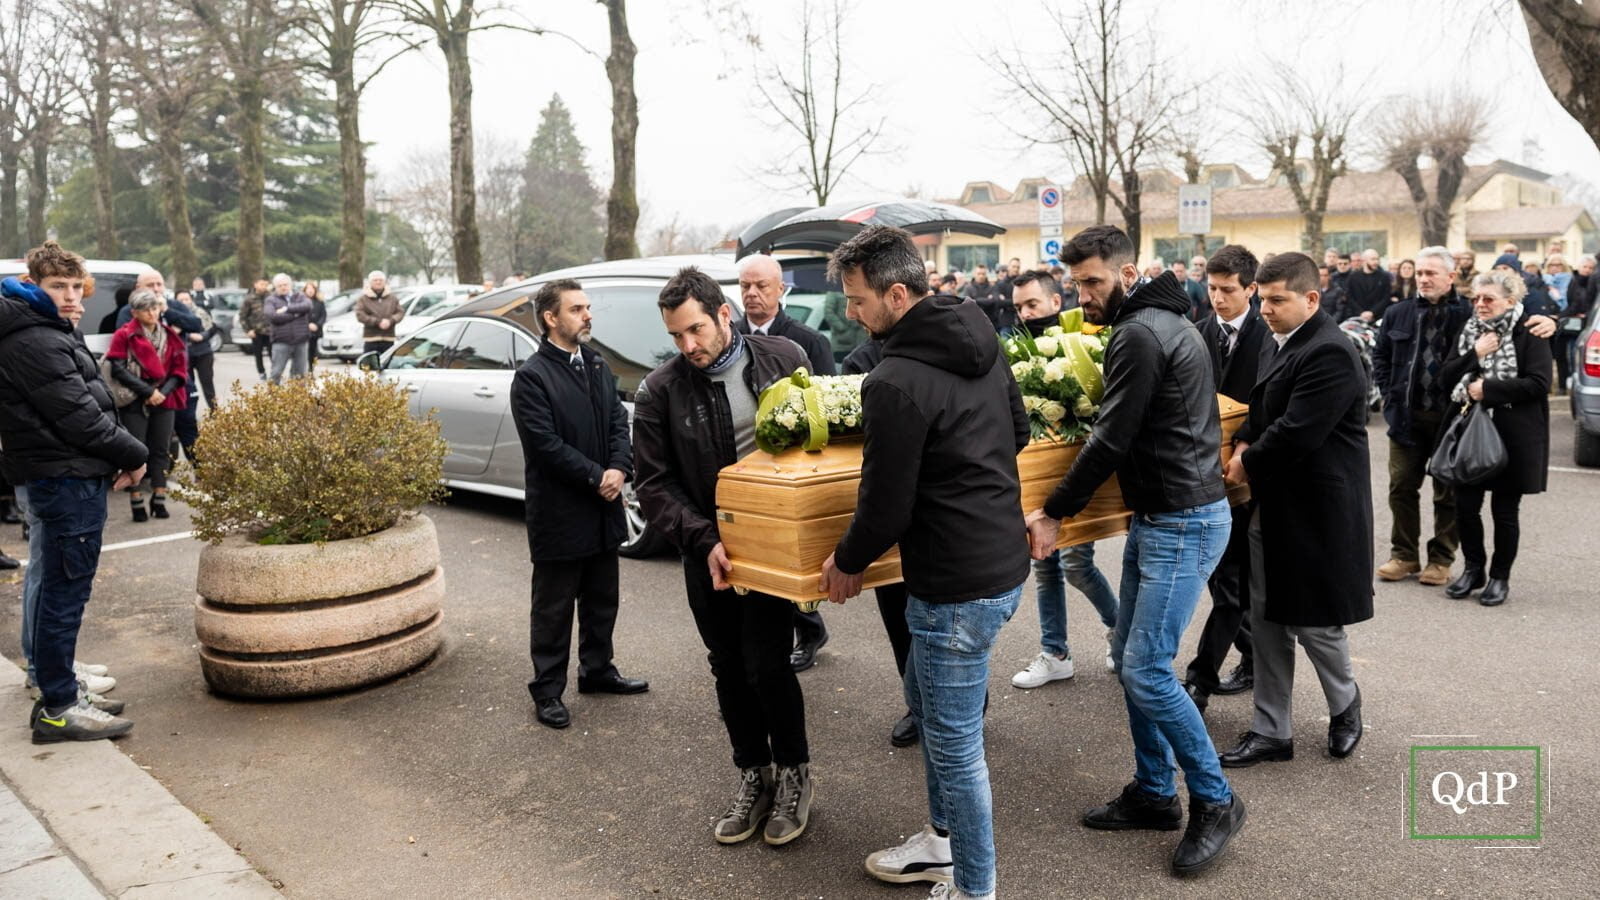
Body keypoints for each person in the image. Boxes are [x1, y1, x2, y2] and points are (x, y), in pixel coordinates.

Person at [1023, 225, 1244, 877]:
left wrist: (1054, 510)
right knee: (1130, 658)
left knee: (1145, 666)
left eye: (1092, 281)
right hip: (1166, 514)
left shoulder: (1142, 331)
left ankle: (1215, 798)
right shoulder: (1168, 320)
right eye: (1075, 282)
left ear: (1126, 274)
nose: (1081, 294)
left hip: (1183, 519)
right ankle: (1153, 792)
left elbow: (1113, 438)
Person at [820, 225, 1028, 900]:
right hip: (1000, 566)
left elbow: (885, 506)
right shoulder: (981, 335)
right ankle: (942, 842)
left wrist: (847, 561)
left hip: (952, 586)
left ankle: (973, 887)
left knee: (956, 747)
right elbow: (1019, 431)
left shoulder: (894, 381)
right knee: (934, 711)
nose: (852, 313)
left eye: (858, 300)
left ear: (898, 293)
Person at [632, 266, 815, 847]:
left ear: (724, 315)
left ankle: (793, 775)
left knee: (768, 662)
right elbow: (654, 484)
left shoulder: (784, 356)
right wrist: (703, 539)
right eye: (676, 336)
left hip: (772, 547)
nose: (688, 346)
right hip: (704, 548)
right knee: (727, 665)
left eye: (695, 331)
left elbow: (830, 435)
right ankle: (752, 776)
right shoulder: (660, 390)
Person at [1217, 251, 1372, 769]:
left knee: (1315, 623)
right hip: (1275, 505)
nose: (1265, 309)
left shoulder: (1330, 351)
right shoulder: (1280, 339)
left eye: (1277, 300)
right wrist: (1240, 441)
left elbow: (1297, 431)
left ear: (1311, 298)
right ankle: (1271, 730)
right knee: (1266, 621)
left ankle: (1345, 706)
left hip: (1319, 509)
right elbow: (1262, 412)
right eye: (1262, 299)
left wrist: (1244, 462)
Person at [0, 242, 147, 742]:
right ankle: (59, 705)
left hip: (67, 474)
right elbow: (80, 416)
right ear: (32, 286)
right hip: (63, 479)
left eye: (73, 288)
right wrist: (135, 453)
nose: (69, 297)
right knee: (62, 595)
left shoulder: (42, 329)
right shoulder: (33, 339)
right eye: (56, 287)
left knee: (56, 588)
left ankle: (58, 685)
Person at [510, 278, 648, 729]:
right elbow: (545, 446)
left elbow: (616, 421)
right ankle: (547, 691)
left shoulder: (595, 363)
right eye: (577, 309)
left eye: (588, 307)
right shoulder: (532, 377)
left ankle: (597, 671)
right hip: (560, 513)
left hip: (602, 507)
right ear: (551, 318)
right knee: (553, 608)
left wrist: (620, 467)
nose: (588, 315)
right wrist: (597, 476)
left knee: (601, 598)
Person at [1005, 271, 1120, 690]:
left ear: (1056, 302)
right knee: (1045, 564)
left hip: (1074, 473)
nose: (1024, 313)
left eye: (1032, 304)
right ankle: (1055, 653)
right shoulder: (1014, 346)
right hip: (1036, 473)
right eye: (1018, 306)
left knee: (1076, 564)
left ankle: (1119, 630)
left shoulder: (1084, 339)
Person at [732, 254, 836, 673]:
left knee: (791, 552)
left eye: (761, 286)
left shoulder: (807, 341)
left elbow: (826, 402)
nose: (753, 294)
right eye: (745, 287)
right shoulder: (730, 337)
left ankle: (808, 628)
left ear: (781, 290)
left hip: (791, 464)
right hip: (747, 463)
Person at [1183, 244, 1268, 713]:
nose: (1217, 298)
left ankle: (1201, 677)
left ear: (1251, 289)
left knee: (1233, 581)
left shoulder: (1268, 336)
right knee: (1225, 583)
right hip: (1202, 473)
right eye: (1212, 289)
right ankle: (1253, 658)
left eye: (1228, 290)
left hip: (1249, 471)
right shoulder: (1196, 334)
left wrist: (1246, 445)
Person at [1437, 270, 1550, 606]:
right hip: (1470, 430)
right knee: (1466, 507)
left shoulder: (1530, 330)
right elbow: (1445, 377)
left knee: (1504, 511)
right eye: (1476, 298)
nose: (1480, 305)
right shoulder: (1471, 329)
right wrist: (1476, 354)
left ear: (1511, 301)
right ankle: (1474, 570)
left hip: (1515, 434)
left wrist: (1489, 389)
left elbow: (1539, 383)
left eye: (1488, 299)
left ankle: (1500, 577)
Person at [836, 340, 919, 749]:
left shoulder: (932, 349)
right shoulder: (859, 361)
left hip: (931, 517)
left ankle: (969, 703)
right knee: (899, 620)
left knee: (945, 628)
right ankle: (917, 706)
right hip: (885, 514)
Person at [106, 290, 188, 522]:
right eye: (146, 309)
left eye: (155, 308)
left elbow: (179, 369)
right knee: (137, 450)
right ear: (134, 312)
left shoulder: (170, 334)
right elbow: (117, 368)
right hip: (134, 398)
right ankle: (136, 500)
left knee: (161, 449)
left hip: (165, 397)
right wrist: (148, 392)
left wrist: (162, 393)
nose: (152, 313)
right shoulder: (125, 334)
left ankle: (159, 497)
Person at [173, 290, 219, 410]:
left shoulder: (200, 312)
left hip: (203, 353)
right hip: (184, 354)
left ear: (191, 299)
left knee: (207, 384)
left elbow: (213, 328)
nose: (184, 302)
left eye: (187, 299)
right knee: (188, 386)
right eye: (181, 300)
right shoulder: (172, 315)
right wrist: (188, 335)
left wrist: (203, 336)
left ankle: (215, 412)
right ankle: (189, 412)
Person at [264, 274, 313, 383]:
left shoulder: (300, 296)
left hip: (301, 341)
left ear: (290, 285)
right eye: (279, 285)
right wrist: (296, 315)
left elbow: (308, 306)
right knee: (276, 372)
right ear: (275, 287)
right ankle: (272, 398)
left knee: (300, 374)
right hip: (281, 341)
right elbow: (272, 316)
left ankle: (298, 399)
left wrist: (287, 309)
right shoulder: (271, 300)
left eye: (285, 284)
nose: (283, 287)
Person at [356, 270, 404, 356]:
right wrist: (377, 322)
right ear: (370, 282)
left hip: (388, 337)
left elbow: (400, 312)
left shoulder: (392, 298)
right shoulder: (363, 299)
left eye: (380, 280)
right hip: (371, 338)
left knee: (387, 363)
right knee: (370, 365)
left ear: (384, 282)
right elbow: (360, 314)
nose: (378, 282)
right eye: (375, 280)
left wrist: (391, 321)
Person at [239, 278, 272, 381]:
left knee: (273, 354)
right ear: (255, 284)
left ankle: (274, 373)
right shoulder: (249, 299)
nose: (264, 286)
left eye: (265, 284)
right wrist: (248, 330)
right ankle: (262, 373)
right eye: (261, 284)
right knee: (258, 354)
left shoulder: (271, 297)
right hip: (256, 332)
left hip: (270, 331)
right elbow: (243, 316)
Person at [1346, 249, 1392, 321]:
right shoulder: (1353, 277)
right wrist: (1361, 312)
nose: (1376, 262)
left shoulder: (1384, 277)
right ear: (1364, 260)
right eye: (1373, 259)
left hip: (1378, 317)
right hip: (1358, 317)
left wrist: (1372, 312)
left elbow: (1386, 297)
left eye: (1377, 259)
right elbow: (1350, 297)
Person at [963, 263, 1010, 331]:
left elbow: (995, 301)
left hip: (991, 323)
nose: (981, 276)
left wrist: (975, 300)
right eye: (979, 273)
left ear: (986, 274)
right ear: (974, 274)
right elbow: (967, 303)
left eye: (983, 274)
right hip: (973, 323)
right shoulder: (968, 288)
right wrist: (987, 300)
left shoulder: (992, 287)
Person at [303, 281, 327, 367]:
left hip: (316, 331)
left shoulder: (320, 302)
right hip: (304, 330)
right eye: (308, 288)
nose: (310, 290)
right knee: (305, 351)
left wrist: (317, 325)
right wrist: (308, 325)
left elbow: (323, 315)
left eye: (312, 288)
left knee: (313, 351)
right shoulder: (301, 301)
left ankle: (311, 368)